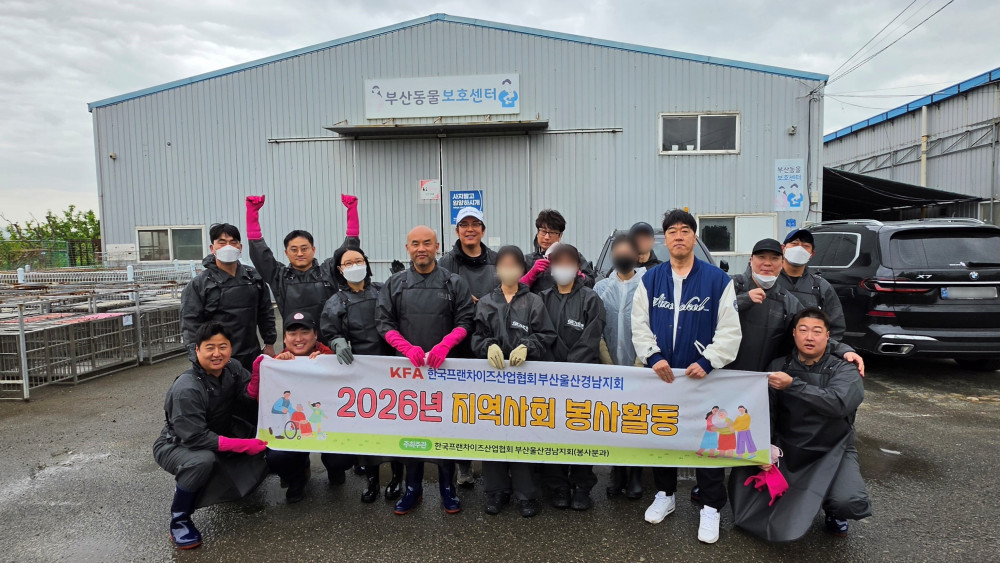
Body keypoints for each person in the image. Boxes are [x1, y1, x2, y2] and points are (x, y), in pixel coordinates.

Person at [631, 209, 742, 545]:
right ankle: (665, 494)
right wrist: (653, 357)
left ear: (694, 237)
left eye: (684, 230)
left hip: (703, 379)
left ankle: (711, 506)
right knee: (663, 436)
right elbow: (639, 324)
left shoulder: (718, 281)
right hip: (662, 377)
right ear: (664, 239)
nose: (678, 236)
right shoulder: (650, 280)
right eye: (672, 231)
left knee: (708, 441)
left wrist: (708, 361)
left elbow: (730, 331)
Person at [729, 308, 871, 541]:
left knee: (848, 501)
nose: (809, 337)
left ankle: (834, 509)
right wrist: (764, 448)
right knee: (747, 488)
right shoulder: (778, 365)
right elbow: (767, 411)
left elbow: (838, 404)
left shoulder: (844, 368)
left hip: (832, 449)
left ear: (828, 336)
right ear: (794, 333)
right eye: (803, 330)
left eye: (817, 331)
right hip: (788, 447)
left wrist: (793, 385)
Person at [376, 225, 475, 515]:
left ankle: (448, 487)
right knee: (411, 431)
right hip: (407, 373)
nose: (422, 248)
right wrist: (405, 347)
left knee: (445, 431)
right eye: (415, 243)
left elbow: (466, 320)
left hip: (445, 371)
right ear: (407, 248)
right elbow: (383, 322)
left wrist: (446, 344)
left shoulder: (454, 283)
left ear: (437, 246)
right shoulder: (394, 284)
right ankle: (413, 488)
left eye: (427, 243)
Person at [153, 322, 269, 550]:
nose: (217, 353)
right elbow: (195, 437)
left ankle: (229, 488)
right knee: (202, 461)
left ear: (230, 348)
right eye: (210, 347)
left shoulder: (233, 368)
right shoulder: (187, 388)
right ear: (197, 350)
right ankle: (180, 520)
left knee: (266, 438)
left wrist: (256, 376)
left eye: (223, 346)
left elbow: (247, 396)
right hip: (177, 444)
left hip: (218, 430)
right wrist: (243, 445)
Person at [471, 245, 557, 518]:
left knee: (522, 435)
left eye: (514, 265)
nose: (508, 270)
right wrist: (487, 346)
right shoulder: (486, 302)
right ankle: (496, 491)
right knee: (493, 434)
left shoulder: (533, 302)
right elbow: (476, 335)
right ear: (496, 270)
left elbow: (546, 334)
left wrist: (528, 346)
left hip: (524, 383)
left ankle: (526, 494)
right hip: (493, 382)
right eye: (503, 265)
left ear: (522, 270)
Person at [320, 244, 404, 504]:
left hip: (391, 367)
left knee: (396, 424)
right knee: (368, 428)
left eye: (359, 261)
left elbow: (401, 314)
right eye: (348, 263)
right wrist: (336, 341)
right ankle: (372, 479)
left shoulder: (382, 290)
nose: (354, 266)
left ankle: (397, 477)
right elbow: (329, 329)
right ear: (340, 269)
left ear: (366, 264)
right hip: (360, 372)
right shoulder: (336, 301)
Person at [251, 310, 353, 503]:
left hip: (326, 424)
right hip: (296, 424)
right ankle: (297, 476)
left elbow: (350, 386)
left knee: (342, 459)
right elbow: (261, 401)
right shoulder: (277, 363)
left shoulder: (331, 358)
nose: (299, 339)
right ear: (285, 338)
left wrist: (327, 362)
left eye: (305, 332)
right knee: (276, 457)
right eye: (292, 333)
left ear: (315, 335)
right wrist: (272, 369)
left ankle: (334, 468)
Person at [538, 244, 607, 511]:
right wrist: (552, 367)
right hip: (548, 380)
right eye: (558, 263)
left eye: (569, 262)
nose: (563, 268)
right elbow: (539, 333)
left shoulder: (590, 299)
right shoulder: (541, 298)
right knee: (552, 431)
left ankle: (581, 486)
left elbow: (592, 336)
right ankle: (557, 486)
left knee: (580, 432)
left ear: (578, 267)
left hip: (581, 379)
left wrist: (569, 368)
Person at [437, 206, 498, 487]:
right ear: (457, 230)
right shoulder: (446, 262)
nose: (470, 229)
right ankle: (463, 464)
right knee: (460, 405)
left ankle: (495, 464)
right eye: (464, 224)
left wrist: (487, 303)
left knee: (489, 403)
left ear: (483, 230)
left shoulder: (497, 260)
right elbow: (439, 295)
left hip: (492, 338)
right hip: (458, 340)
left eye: (475, 224)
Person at [181, 223, 276, 372]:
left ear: (240, 247)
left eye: (233, 242)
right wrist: (197, 358)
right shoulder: (199, 284)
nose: (228, 247)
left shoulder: (253, 277)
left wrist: (269, 343)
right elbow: (190, 324)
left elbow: (266, 312)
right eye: (222, 242)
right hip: (216, 357)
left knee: (251, 387)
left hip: (251, 353)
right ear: (212, 248)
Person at [594, 235, 646, 499]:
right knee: (614, 419)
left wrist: (640, 362)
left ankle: (636, 472)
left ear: (638, 256)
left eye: (628, 252)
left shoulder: (647, 286)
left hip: (641, 365)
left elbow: (652, 326)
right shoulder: (601, 288)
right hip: (610, 364)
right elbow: (596, 327)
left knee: (635, 419)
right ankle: (618, 471)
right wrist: (608, 363)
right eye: (618, 252)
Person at [244, 195, 346, 322]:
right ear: (286, 253)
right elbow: (260, 254)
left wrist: (352, 212)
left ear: (313, 250)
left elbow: (347, 253)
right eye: (294, 249)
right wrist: (252, 212)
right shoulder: (279, 276)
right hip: (293, 335)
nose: (299, 253)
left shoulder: (328, 271)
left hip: (328, 334)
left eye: (304, 248)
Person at [777, 229, 847, 339]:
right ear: (783, 248)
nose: (799, 249)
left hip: (807, 349)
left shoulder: (821, 287)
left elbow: (836, 327)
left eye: (805, 246)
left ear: (811, 254)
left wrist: (823, 348)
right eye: (794, 244)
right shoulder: (769, 281)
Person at [522, 209, 596, 293]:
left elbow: (591, 283)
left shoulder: (572, 256)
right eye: (543, 231)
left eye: (552, 233)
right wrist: (532, 273)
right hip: (537, 301)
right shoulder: (527, 260)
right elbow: (515, 291)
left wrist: (576, 274)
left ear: (560, 235)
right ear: (538, 233)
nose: (546, 237)